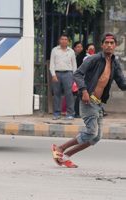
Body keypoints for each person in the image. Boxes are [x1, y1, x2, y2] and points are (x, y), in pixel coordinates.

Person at [51, 32, 126, 168]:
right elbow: (78, 73)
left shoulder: (115, 63)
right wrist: (84, 91)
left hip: (98, 104)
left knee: (96, 137)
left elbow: (122, 83)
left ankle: (66, 156)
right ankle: (61, 149)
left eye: (112, 43)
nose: (109, 45)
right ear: (102, 45)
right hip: (88, 100)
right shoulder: (94, 59)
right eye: (106, 43)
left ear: (115, 45)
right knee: (91, 132)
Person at [49, 33, 77, 120]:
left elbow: (74, 65)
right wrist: (53, 75)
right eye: (62, 39)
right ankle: (57, 113)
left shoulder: (71, 51)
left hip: (68, 74)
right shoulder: (54, 50)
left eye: (66, 39)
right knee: (56, 94)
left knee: (69, 94)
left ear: (68, 41)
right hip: (57, 74)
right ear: (59, 40)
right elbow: (52, 64)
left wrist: (74, 77)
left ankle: (70, 113)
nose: (64, 41)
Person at [72, 41, 85, 118]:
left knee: (79, 95)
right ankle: (75, 112)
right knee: (76, 95)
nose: (80, 48)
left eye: (81, 47)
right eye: (78, 47)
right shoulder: (72, 56)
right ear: (74, 48)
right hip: (74, 77)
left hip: (81, 78)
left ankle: (77, 112)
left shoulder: (84, 57)